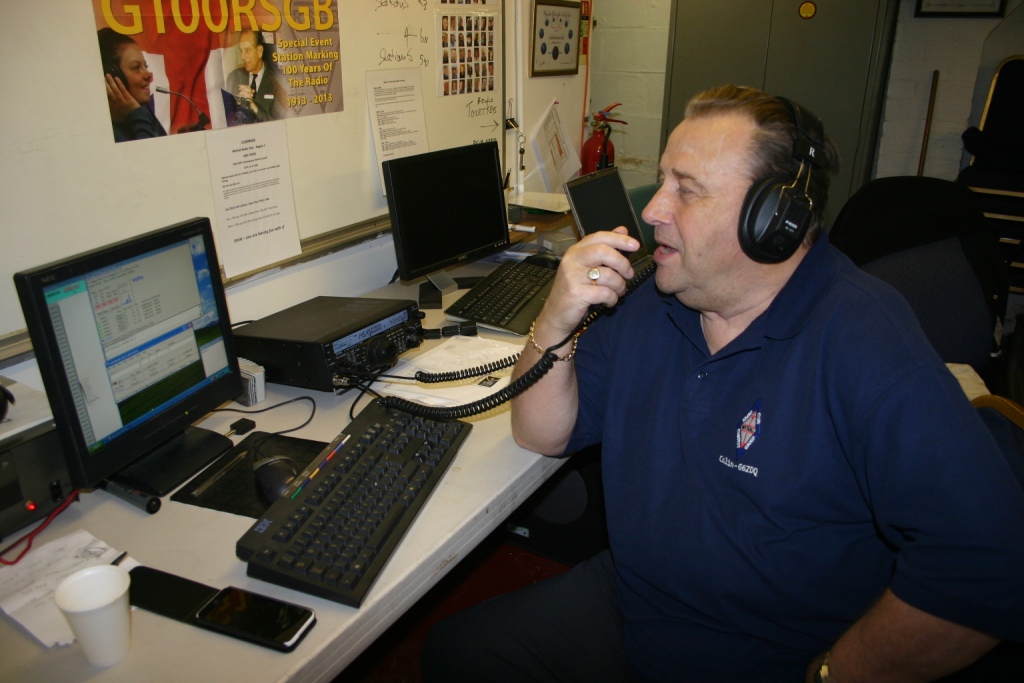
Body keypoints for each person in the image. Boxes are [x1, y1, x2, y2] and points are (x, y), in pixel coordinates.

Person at [421, 85, 1024, 682]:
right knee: (458, 654)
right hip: (636, 600)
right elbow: (542, 434)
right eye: (662, 180)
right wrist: (553, 320)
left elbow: (988, 568)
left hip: (769, 649)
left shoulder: (864, 339)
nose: (653, 210)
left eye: (686, 189)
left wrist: (833, 675)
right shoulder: (654, 300)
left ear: (775, 220)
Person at [98, 28, 166, 143]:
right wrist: (137, 115)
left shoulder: (142, 113)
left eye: (146, 66)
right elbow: (151, 153)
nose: (149, 75)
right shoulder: (105, 136)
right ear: (113, 75)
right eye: (136, 67)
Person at [225, 28, 285, 123]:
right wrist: (238, 106)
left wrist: (254, 107)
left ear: (259, 51)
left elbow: (282, 123)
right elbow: (225, 119)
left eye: (247, 50)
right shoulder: (233, 77)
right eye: (241, 51)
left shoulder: (277, 80)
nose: (243, 56)